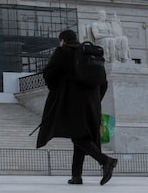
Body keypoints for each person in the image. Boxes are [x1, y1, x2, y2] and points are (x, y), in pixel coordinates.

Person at [37, 29, 118, 186]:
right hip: (92, 101)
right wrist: (96, 100)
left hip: (73, 99)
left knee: (77, 136)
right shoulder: (89, 53)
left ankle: (105, 161)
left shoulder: (63, 51)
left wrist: (56, 89)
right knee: (81, 135)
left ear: (63, 40)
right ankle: (76, 176)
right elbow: (104, 82)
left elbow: (49, 72)